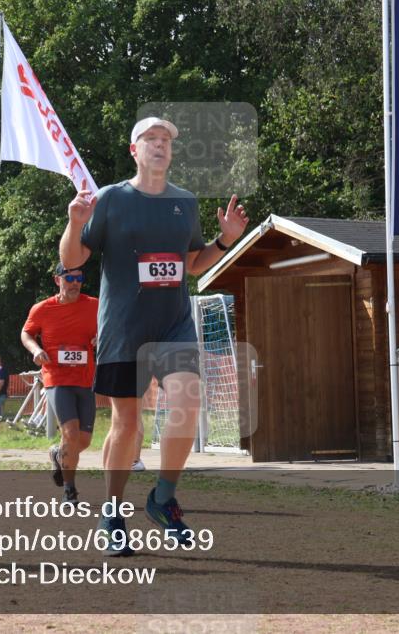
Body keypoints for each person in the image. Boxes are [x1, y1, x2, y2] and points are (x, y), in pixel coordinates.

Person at [59, 116, 249, 555]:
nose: (161, 146)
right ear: (134, 150)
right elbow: (73, 260)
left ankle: (163, 498)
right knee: (127, 426)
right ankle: (111, 512)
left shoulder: (184, 202)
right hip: (124, 329)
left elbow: (192, 264)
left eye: (166, 140)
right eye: (152, 139)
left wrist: (224, 240)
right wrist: (74, 222)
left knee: (187, 400)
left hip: (173, 325)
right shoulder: (109, 199)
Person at [21, 263, 99, 503]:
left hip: (85, 378)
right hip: (56, 377)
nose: (75, 282)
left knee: (83, 440)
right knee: (71, 432)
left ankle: (57, 454)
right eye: (69, 278)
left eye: (79, 278)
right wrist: (36, 350)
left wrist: (101, 337)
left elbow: (109, 326)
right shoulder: (42, 309)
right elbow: (26, 333)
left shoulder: (94, 305)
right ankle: (70, 490)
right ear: (58, 280)